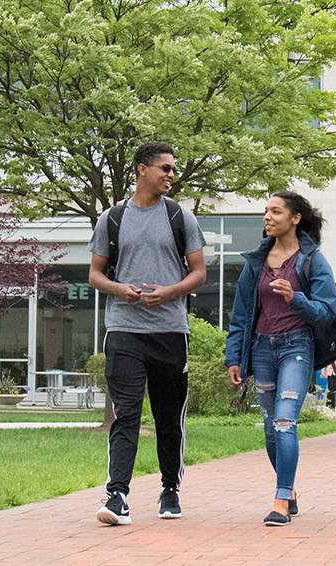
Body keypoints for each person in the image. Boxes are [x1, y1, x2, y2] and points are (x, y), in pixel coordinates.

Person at [87, 141, 207, 525]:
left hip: (170, 331)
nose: (171, 175)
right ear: (142, 169)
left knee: (169, 417)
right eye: (165, 168)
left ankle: (170, 488)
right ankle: (117, 495)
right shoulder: (112, 218)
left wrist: (171, 291)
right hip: (124, 329)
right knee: (126, 414)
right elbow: (94, 274)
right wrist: (120, 289)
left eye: (173, 169)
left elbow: (199, 273)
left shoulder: (180, 217)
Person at [225, 192, 336, 526]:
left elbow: (328, 311)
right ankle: (288, 492)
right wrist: (234, 356)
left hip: (296, 348)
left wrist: (296, 298)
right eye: (265, 212)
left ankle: (280, 500)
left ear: (295, 218)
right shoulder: (256, 262)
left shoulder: (313, 261)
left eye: (275, 211)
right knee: (271, 430)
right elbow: (241, 314)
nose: (267, 217)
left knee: (285, 421)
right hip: (261, 350)